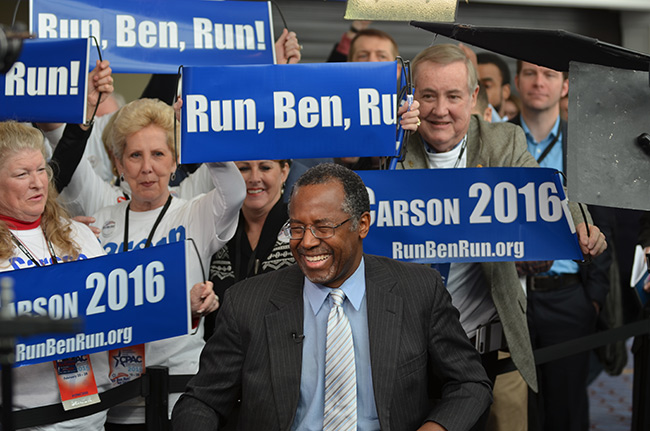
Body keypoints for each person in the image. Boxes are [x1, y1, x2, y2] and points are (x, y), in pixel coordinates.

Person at [172, 163, 493, 431]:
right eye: (296, 228)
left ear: (362, 224)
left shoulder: (418, 290)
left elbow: (470, 384)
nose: (307, 242)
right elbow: (200, 403)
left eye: (323, 227)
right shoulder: (248, 303)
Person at [398, 44, 607, 428]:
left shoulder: (503, 141)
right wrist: (383, 139)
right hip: (401, 346)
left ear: (475, 97)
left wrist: (581, 225)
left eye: (453, 96)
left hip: (479, 345)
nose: (439, 110)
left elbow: (548, 191)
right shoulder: (391, 146)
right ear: (412, 97)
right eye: (427, 95)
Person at [89, 98, 245, 429]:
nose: (147, 167)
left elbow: (234, 192)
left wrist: (199, 134)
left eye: (159, 154)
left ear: (176, 161)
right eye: (135, 155)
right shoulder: (97, 225)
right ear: (118, 164)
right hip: (114, 396)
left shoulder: (195, 212)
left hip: (181, 394)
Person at [511, 60, 612, 431]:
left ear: (565, 86)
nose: (539, 82)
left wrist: (593, 299)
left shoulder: (583, 145)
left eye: (549, 75)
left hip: (569, 297)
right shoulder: (498, 139)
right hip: (509, 298)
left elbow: (606, 224)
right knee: (516, 409)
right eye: (531, 74)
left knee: (567, 410)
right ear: (517, 81)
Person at [0, 121, 110, 430]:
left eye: (41, 170)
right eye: (22, 174)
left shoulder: (79, 234)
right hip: (29, 418)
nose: (37, 183)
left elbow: (113, 308)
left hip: (94, 413)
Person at [207, 159, 295, 340]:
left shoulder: (300, 230)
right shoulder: (216, 230)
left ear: (284, 172)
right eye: (244, 168)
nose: (254, 178)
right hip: (225, 357)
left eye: (265, 168)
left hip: (284, 356)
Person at [476, 52, 512, 122]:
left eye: (486, 86)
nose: (477, 92)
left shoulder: (516, 131)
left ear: (505, 91)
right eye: (473, 85)